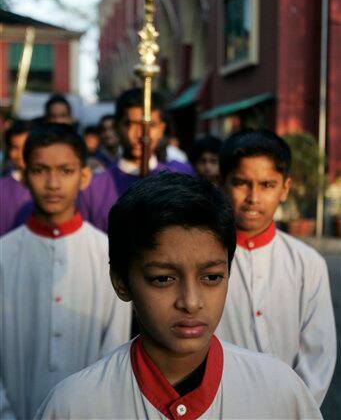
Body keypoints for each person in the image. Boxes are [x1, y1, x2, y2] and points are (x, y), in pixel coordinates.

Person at [36, 173, 321, 419]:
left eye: (211, 277)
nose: (191, 301)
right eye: (163, 279)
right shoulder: (75, 406)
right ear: (121, 282)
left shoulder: (280, 391)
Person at [0, 124, 131, 420]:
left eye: (66, 170)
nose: (53, 183)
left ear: (84, 176)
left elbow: (115, 347)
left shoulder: (108, 253)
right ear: (24, 175)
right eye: (40, 170)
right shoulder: (3, 255)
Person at [215, 129, 336, 407]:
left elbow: (318, 354)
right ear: (222, 184)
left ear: (285, 188)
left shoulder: (307, 264)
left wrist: (289, 408)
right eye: (242, 183)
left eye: (267, 185)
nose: (253, 197)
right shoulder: (203, 258)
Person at [79, 88, 193, 232]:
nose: (141, 134)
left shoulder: (182, 181)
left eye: (150, 125)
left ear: (161, 129)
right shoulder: (93, 188)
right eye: (130, 124)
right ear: (116, 127)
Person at [0, 120, 34, 235]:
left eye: (26, 147)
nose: (20, 154)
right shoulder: (2, 187)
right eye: (15, 148)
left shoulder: (51, 187)